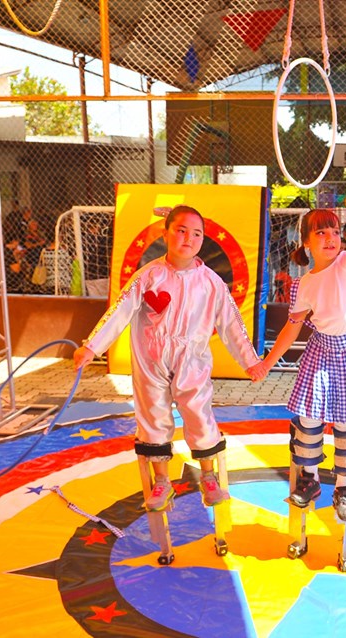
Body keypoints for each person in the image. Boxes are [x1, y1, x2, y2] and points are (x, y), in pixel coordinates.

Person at [73, 205, 267, 511]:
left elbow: (232, 323)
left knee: (198, 413)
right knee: (152, 415)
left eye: (196, 233)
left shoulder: (211, 282)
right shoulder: (148, 276)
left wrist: (250, 361)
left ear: (204, 239)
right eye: (180, 230)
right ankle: (162, 480)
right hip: (151, 360)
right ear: (165, 234)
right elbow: (119, 312)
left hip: (192, 360)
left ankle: (208, 477)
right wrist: (92, 346)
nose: (188, 238)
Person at [261, 175, 346, 522]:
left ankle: (344, 489)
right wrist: (266, 364)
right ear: (306, 242)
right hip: (321, 355)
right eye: (320, 232)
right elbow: (292, 329)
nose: (330, 238)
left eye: (335, 231)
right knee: (308, 421)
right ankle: (308, 480)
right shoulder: (304, 284)